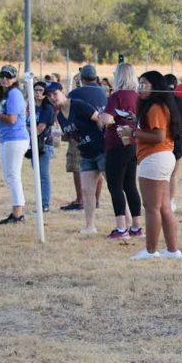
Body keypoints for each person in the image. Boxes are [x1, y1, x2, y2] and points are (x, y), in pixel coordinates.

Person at [115, 71, 182, 259]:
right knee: (163, 207)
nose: (140, 87)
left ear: (155, 86)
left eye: (144, 84)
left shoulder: (155, 108)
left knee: (152, 207)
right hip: (163, 157)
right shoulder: (159, 106)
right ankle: (172, 250)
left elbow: (158, 136)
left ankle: (151, 251)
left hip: (155, 158)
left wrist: (133, 133)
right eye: (139, 83)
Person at [44, 80, 116, 233]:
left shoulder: (78, 105)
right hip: (85, 154)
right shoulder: (60, 116)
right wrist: (59, 134)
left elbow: (99, 119)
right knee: (86, 191)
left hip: (101, 151)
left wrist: (105, 141)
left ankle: (125, 223)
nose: (52, 97)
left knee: (115, 187)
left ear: (62, 92)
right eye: (49, 96)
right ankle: (90, 226)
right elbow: (72, 134)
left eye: (55, 94)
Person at [102, 62, 143, 239]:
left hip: (116, 143)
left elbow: (108, 119)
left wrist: (103, 115)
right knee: (130, 185)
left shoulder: (117, 95)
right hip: (134, 143)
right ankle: (136, 226)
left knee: (115, 185)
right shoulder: (138, 96)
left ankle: (121, 228)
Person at [0, 65, 30, 225]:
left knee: (13, 176)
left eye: (8, 76)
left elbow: (12, 118)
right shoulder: (5, 94)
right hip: (7, 138)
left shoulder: (14, 93)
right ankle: (16, 211)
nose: (5, 79)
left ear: (15, 79)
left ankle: (18, 213)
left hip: (15, 138)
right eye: (2, 76)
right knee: (10, 176)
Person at [69, 65, 107, 218]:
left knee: (83, 172)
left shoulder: (75, 93)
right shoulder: (103, 91)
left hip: (84, 137)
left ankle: (82, 201)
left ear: (81, 78)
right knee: (102, 174)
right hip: (103, 137)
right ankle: (96, 201)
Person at [163, 74, 182, 211]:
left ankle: (160, 200)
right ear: (175, 86)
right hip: (177, 140)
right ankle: (170, 202)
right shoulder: (181, 102)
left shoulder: (158, 103)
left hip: (161, 141)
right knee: (174, 174)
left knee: (161, 174)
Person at [31, 81, 55, 214]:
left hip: (44, 144)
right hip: (34, 144)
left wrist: (28, 134)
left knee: (43, 176)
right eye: (36, 90)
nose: (38, 93)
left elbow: (41, 127)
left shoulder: (47, 108)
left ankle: (44, 204)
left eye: (41, 90)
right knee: (38, 175)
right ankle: (41, 202)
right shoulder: (33, 107)